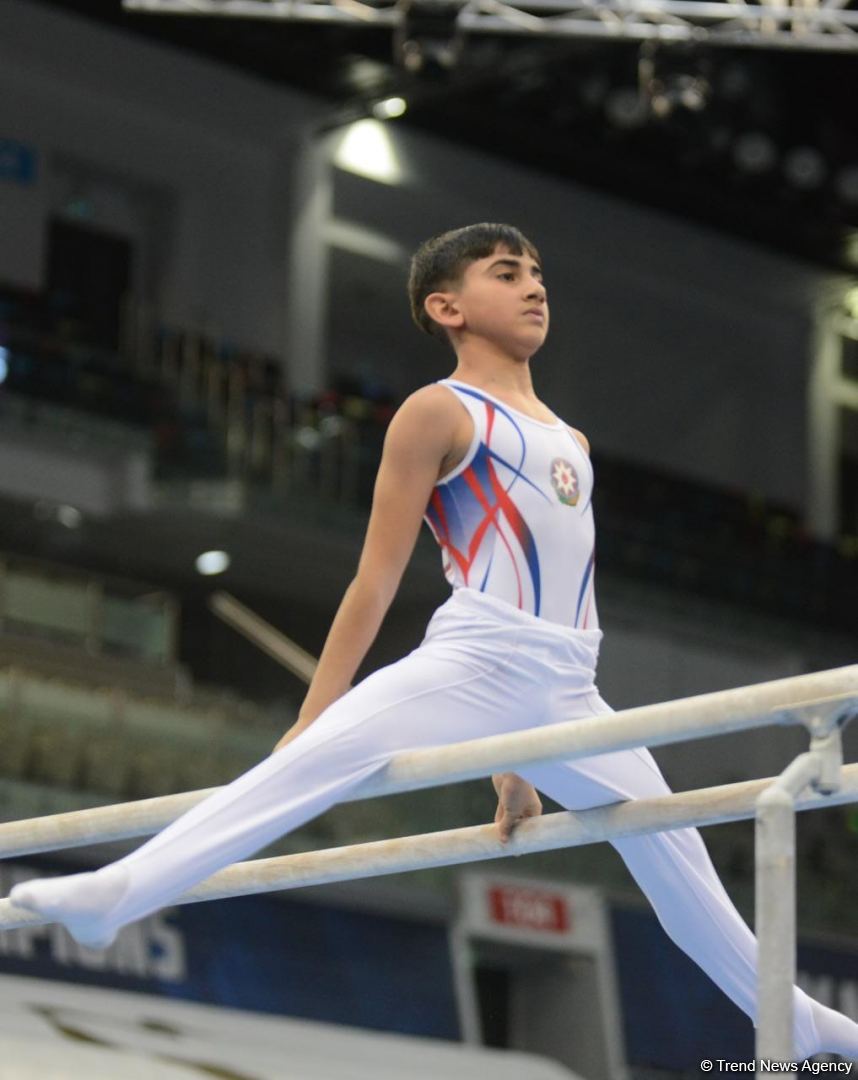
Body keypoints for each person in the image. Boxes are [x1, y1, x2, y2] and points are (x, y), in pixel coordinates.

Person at [9, 223, 857, 1060]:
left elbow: (575, 586)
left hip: (569, 690)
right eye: (506, 272)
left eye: (537, 272)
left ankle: (798, 1022)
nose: (534, 286)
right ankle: (116, 893)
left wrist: (520, 760)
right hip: (471, 662)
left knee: (681, 866)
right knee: (296, 775)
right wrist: (316, 709)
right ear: (446, 306)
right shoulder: (438, 412)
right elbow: (374, 579)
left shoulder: (573, 442)